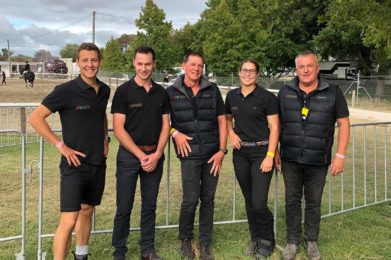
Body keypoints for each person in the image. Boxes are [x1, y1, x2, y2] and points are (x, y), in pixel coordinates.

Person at [28, 42, 110, 260]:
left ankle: (81, 255)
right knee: (69, 218)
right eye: (85, 60)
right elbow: (35, 118)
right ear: (77, 63)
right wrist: (60, 146)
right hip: (74, 166)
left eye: (94, 60)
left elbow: (101, 114)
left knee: (87, 211)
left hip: (97, 163)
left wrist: (105, 138)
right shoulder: (65, 91)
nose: (90, 64)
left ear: (99, 62)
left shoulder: (104, 90)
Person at [275, 50, 350, 260]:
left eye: (310, 66)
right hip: (290, 158)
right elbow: (276, 124)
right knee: (291, 201)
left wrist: (340, 155)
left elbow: (344, 124)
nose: (306, 70)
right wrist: (274, 152)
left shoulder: (333, 92)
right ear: (296, 69)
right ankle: (292, 241)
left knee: (313, 202)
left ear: (317, 68)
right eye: (301, 66)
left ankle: (311, 240)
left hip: (319, 160)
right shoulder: (284, 92)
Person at [111, 46, 170, 260]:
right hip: (129, 157)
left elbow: (166, 126)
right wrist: (140, 155)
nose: (144, 68)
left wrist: (157, 154)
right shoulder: (123, 91)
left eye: (148, 64)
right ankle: (119, 251)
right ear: (134, 64)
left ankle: (147, 249)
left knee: (149, 205)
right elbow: (118, 129)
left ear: (154, 64)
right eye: (140, 64)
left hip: (155, 156)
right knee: (124, 206)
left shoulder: (162, 93)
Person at [167, 51, 227, 260]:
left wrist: (221, 150)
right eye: (192, 64)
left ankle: (205, 243)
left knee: (208, 199)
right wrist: (175, 134)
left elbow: (222, 120)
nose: (196, 69)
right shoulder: (171, 92)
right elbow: (162, 121)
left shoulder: (212, 90)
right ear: (183, 65)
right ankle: (185, 240)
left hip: (212, 155)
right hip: (189, 155)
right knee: (190, 200)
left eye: (200, 65)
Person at [225, 59, 279, 258]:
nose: (247, 74)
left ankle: (267, 239)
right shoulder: (232, 96)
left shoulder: (267, 97)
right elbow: (227, 119)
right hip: (241, 154)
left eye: (252, 71)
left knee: (259, 202)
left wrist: (270, 156)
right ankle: (255, 238)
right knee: (249, 200)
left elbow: (274, 128)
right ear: (239, 73)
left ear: (257, 74)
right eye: (244, 70)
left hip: (261, 153)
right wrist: (231, 134)